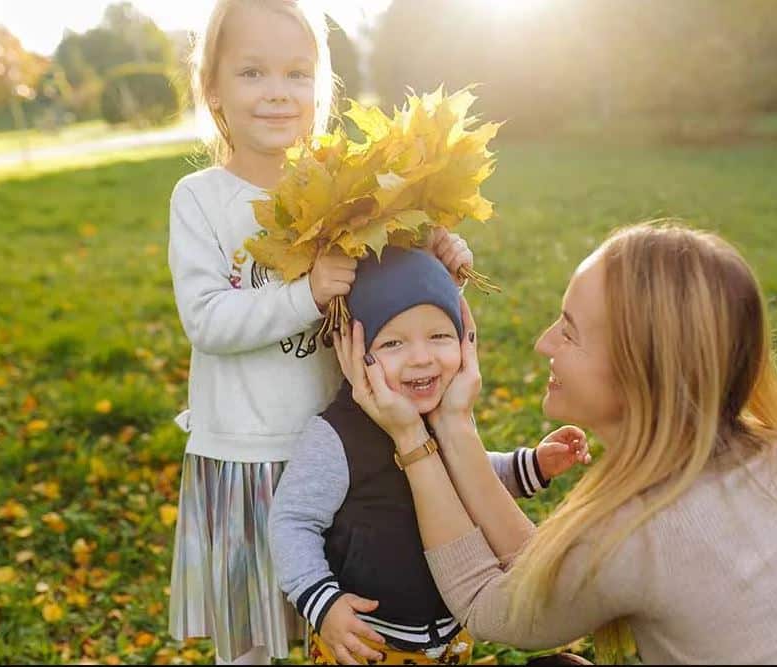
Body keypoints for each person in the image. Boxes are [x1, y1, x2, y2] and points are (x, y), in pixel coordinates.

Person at [339, 222, 777, 664]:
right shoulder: (772, 456)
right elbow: (544, 569)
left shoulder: (644, 526)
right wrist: (455, 425)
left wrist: (413, 437)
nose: (542, 344)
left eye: (569, 330)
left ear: (640, 369)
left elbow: (491, 605)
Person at [165, 2, 473, 663]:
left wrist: (438, 257)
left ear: (320, 87)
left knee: (341, 624)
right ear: (213, 87)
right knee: (250, 639)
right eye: (252, 72)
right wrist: (306, 292)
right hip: (243, 455)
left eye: (297, 74)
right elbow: (208, 319)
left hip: (343, 450)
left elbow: (395, 294)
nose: (277, 91)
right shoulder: (200, 199)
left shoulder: (344, 192)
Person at [269, 247, 588, 665]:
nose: (421, 358)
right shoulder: (337, 435)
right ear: (352, 348)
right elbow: (292, 521)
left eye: (439, 336)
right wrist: (322, 601)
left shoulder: (441, 414)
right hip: (369, 642)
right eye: (393, 342)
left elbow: (466, 481)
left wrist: (528, 466)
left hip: (449, 635)